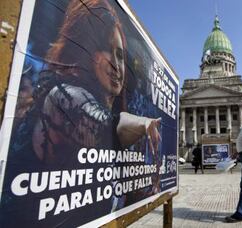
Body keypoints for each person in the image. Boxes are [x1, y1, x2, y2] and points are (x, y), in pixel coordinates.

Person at [1, 0, 161, 226]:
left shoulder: (99, 99)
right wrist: (143, 124)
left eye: (121, 55)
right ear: (87, 48)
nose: (117, 64)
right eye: (107, 50)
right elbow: (104, 126)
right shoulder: (65, 96)